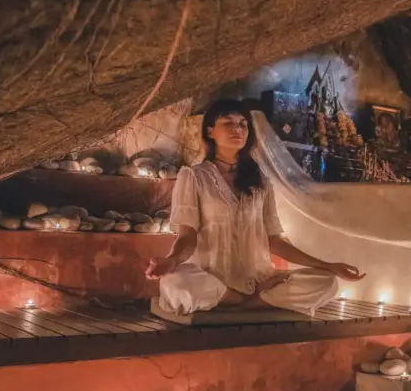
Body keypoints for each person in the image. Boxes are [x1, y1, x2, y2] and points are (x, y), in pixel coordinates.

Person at [146, 99, 365, 315]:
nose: (237, 129)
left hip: (259, 280)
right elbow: (187, 236)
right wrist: (172, 260)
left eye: (243, 124)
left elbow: (274, 241)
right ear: (211, 131)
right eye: (228, 123)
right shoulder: (193, 176)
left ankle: (239, 304)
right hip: (211, 279)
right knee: (175, 281)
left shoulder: (261, 181)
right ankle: (247, 302)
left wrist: (328, 266)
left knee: (326, 282)